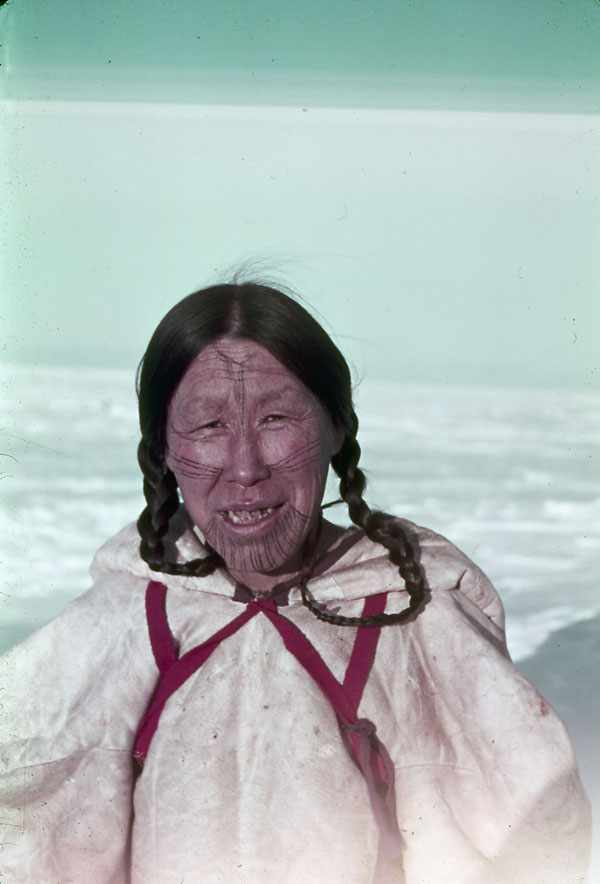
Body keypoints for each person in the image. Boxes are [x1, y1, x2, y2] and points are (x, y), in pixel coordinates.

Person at [0, 281, 591, 884]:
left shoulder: (421, 618)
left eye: (277, 418)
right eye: (208, 425)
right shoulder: (123, 624)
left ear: (335, 428)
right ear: (164, 452)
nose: (246, 467)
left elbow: (534, 845)